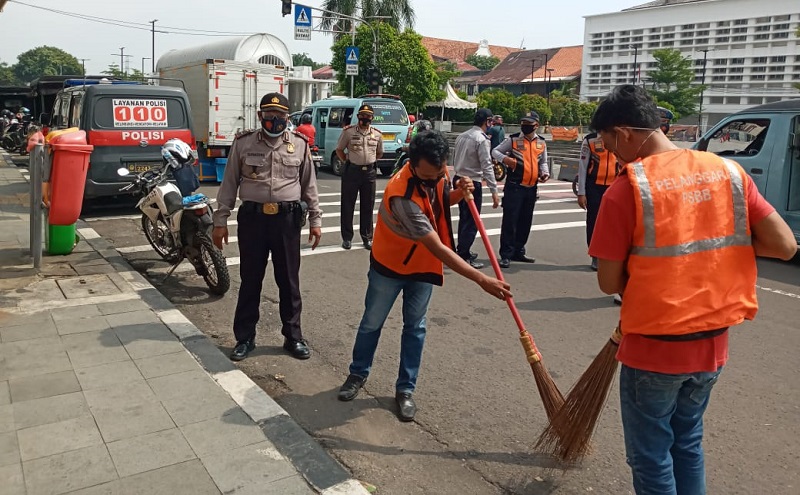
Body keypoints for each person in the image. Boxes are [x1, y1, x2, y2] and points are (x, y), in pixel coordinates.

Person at [588, 84, 797, 495]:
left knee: (652, 456)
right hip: (713, 346)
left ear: (625, 132)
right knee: (687, 444)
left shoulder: (628, 189)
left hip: (653, 348)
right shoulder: (728, 172)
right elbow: (785, 246)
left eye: (607, 140)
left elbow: (609, 282)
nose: (609, 150)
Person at [337, 130, 512, 422]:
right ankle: (357, 374)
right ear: (413, 163)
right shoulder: (401, 194)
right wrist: (482, 280)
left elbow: (440, 202)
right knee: (372, 323)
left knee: (415, 328)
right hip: (389, 267)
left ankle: (405, 389)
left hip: (422, 268)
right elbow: (437, 246)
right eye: (430, 176)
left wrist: (459, 192)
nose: (436, 178)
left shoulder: (436, 171)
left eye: (441, 171)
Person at [212, 92, 322, 362]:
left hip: (286, 221)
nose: (275, 121)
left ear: (288, 117)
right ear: (260, 116)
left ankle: (293, 337)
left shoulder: (300, 144)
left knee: (289, 281)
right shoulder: (243, 143)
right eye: (270, 116)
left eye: (281, 116)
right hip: (253, 220)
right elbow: (229, 184)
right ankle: (245, 338)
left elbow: (309, 185)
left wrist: (316, 221)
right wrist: (220, 221)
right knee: (251, 280)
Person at [492, 111, 550, 268]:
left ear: (536, 125)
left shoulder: (542, 143)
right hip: (515, 186)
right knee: (510, 221)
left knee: (525, 221)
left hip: (531, 188)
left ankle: (519, 250)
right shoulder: (513, 140)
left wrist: (545, 172)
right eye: (523, 123)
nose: (525, 126)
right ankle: (506, 254)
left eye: (529, 124)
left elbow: (543, 162)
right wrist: (506, 160)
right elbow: (495, 151)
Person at [452, 108, 500, 269]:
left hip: (458, 178)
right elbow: (487, 166)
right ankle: (464, 254)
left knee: (464, 217)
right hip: (472, 182)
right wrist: (494, 191)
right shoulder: (482, 139)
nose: (491, 125)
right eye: (491, 121)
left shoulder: (462, 136)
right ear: (487, 121)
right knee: (472, 220)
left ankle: (462, 249)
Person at [336, 104, 383, 250]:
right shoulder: (349, 132)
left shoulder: (377, 134)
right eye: (362, 115)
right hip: (352, 172)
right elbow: (339, 149)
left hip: (369, 173)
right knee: (347, 205)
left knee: (368, 206)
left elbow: (379, 153)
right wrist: (347, 161)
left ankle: (367, 238)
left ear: (372, 118)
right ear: (358, 117)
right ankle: (347, 238)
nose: (365, 118)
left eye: (368, 116)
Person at [577, 131, 619, 271]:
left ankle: (609, 254)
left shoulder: (618, 137)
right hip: (594, 186)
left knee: (613, 222)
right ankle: (595, 254)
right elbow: (583, 167)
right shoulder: (590, 140)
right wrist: (581, 193)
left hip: (614, 185)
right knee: (594, 221)